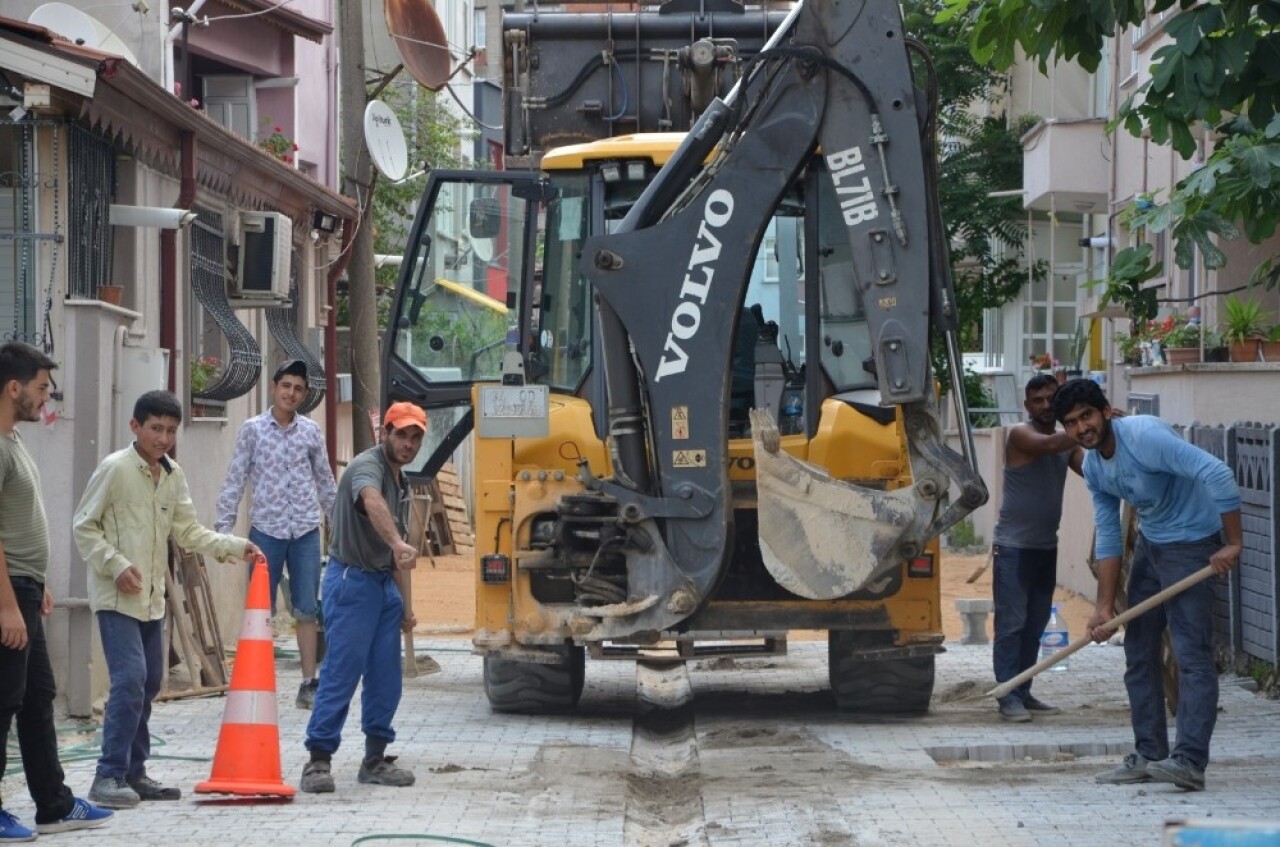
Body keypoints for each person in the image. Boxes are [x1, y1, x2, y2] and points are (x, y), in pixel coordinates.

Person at [73, 390, 260, 810]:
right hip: (116, 597)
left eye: (171, 430)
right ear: (135, 427)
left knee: (151, 681)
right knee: (130, 680)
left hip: (152, 601)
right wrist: (117, 564)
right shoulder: (115, 469)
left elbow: (189, 532)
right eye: (155, 428)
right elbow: (84, 527)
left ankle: (135, 773)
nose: (163, 438)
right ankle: (107, 775)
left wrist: (234, 546)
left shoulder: (173, 475)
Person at [1052, 378, 1241, 792]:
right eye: (1071, 422)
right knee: (1138, 650)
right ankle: (1150, 753)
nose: (1082, 427)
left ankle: (1189, 761)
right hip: (1153, 547)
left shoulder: (1145, 437)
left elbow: (1217, 472)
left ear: (1105, 411)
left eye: (1087, 415)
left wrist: (1233, 542)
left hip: (1193, 544)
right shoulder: (1096, 469)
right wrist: (1103, 608)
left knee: (1191, 654)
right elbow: (1107, 537)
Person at [0, 342, 113, 840]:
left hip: (24, 588)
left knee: (38, 693)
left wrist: (37, 582)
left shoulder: (14, 440)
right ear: (14, 387)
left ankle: (54, 804)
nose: (46, 398)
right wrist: (7, 604)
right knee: (4, 698)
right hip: (7, 595)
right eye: (42, 388)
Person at [300, 402, 425, 794]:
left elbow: (400, 558)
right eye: (401, 434)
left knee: (386, 678)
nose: (407, 443)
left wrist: (406, 607)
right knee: (341, 673)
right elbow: (371, 502)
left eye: (415, 437)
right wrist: (396, 541)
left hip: (382, 587)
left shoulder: (401, 480)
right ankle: (318, 761)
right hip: (352, 583)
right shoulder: (366, 468)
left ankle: (374, 760)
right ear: (384, 433)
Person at [215, 359, 337, 710]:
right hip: (265, 532)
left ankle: (308, 682)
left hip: (304, 531)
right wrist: (223, 530)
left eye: (298, 388)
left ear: (304, 395)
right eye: (286, 386)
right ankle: (258, 684)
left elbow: (325, 482)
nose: (291, 393)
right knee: (260, 611)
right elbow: (235, 478)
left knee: (306, 609)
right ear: (274, 387)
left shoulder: (311, 433)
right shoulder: (252, 430)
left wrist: (339, 525)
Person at [991, 374, 1085, 723]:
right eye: (1038, 400)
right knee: (1011, 624)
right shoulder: (1020, 434)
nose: (1046, 405)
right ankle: (1006, 694)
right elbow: (1048, 446)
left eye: (1051, 398)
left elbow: (1089, 469)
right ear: (1028, 406)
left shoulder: (1067, 443)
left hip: (1045, 547)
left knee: (1034, 625)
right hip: (1013, 548)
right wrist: (1092, 425)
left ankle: (1023, 691)